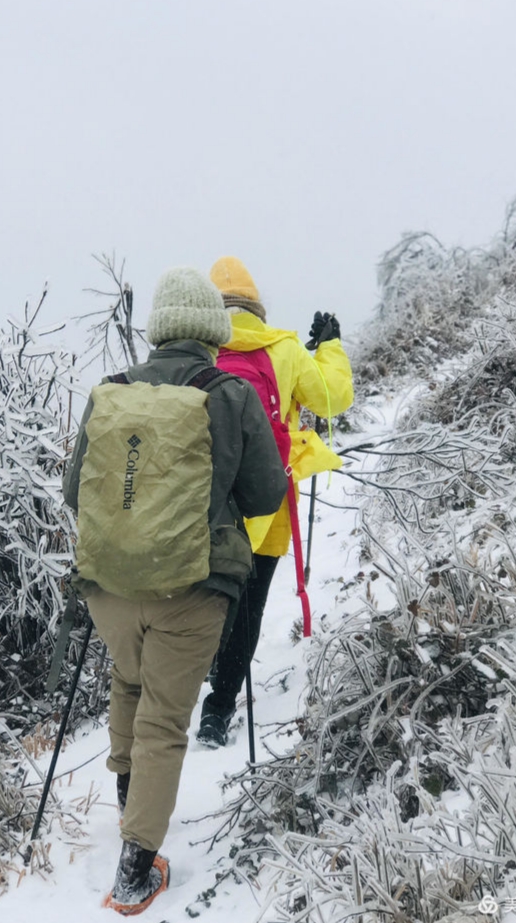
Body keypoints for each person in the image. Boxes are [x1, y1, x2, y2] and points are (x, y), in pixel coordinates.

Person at [62, 266, 287, 915]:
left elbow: (73, 487)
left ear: (158, 329)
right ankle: (136, 870)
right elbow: (265, 493)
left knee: (128, 683)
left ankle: (130, 801)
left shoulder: (110, 391)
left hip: (109, 585)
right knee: (163, 718)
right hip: (191, 587)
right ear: (213, 332)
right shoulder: (230, 392)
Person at [197, 255, 354, 749]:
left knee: (209, 595)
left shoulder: (198, 350)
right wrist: (329, 346)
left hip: (206, 502)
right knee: (250, 601)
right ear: (256, 306)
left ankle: (196, 676)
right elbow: (331, 398)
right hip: (268, 497)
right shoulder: (283, 347)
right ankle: (219, 709)